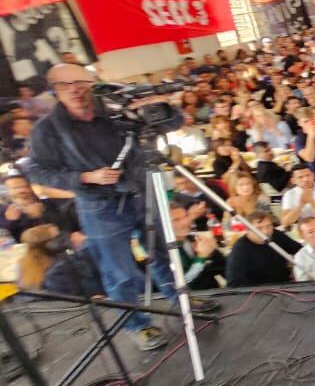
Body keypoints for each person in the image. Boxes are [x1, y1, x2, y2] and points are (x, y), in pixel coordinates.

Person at [26, 64, 203, 351]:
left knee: (164, 251)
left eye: (80, 81)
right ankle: (138, 325)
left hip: (142, 191)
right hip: (100, 207)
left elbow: (173, 122)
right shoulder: (46, 130)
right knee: (118, 271)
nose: (74, 88)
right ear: (54, 90)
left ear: (92, 82)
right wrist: (83, 177)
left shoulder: (116, 107)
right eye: (64, 84)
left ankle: (182, 299)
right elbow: (38, 172)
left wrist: (158, 104)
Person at [225, 210, 301, 287]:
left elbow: (300, 250)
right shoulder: (240, 249)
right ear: (247, 230)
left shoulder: (276, 235)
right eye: (259, 228)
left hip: (285, 285)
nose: (265, 232)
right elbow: (234, 283)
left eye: (269, 226)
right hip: (258, 291)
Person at [0, 172, 79, 241]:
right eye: (16, 188)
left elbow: (67, 227)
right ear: (8, 191)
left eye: (25, 186)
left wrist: (43, 214)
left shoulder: (46, 203)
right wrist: (11, 222)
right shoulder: (4, 211)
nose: (22, 190)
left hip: (59, 244)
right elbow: (7, 240)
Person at [169, 202, 226, 291]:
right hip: (192, 299)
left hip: (214, 294)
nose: (186, 222)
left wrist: (212, 253)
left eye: (186, 216)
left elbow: (223, 267)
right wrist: (200, 258)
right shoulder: (163, 252)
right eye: (176, 220)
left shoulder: (194, 239)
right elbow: (181, 286)